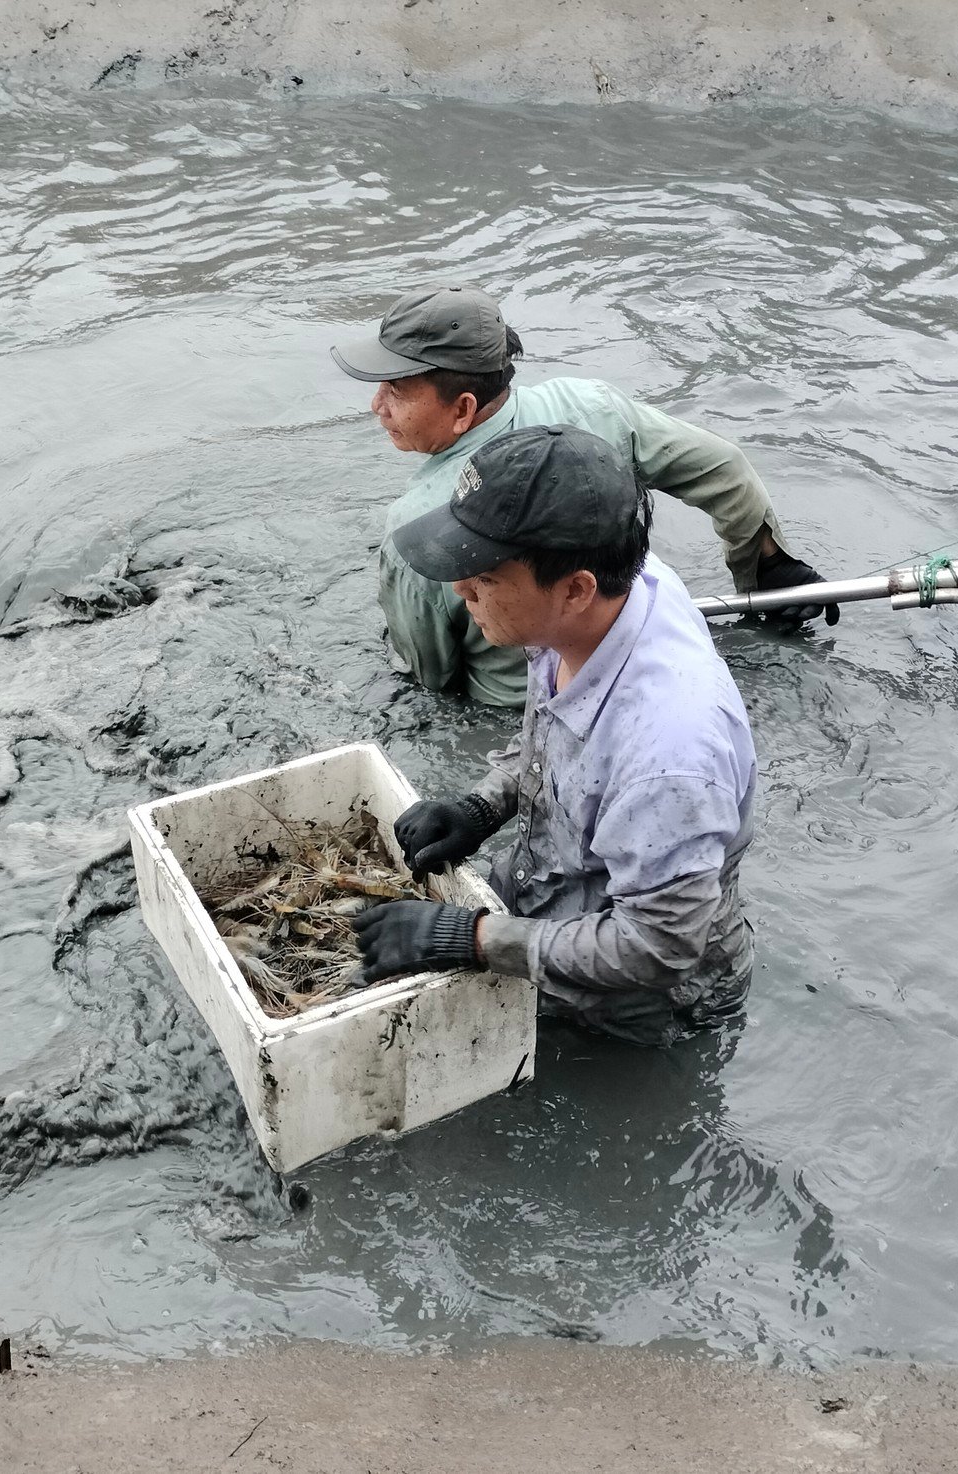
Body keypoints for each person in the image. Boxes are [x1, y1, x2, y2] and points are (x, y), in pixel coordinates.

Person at [352, 424, 757, 1047]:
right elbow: (558, 730)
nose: (461, 591)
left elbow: (660, 945)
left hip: (644, 1002)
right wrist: (482, 805)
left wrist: (473, 938)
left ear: (575, 589)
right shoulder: (610, 598)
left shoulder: (670, 755)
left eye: (484, 576)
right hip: (558, 895)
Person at [333, 284, 837, 707]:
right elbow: (725, 470)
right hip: (639, 661)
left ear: (463, 409)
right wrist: (766, 567)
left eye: (395, 390)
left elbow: (433, 679)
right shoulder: (590, 405)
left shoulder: (415, 526)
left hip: (519, 714)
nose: (377, 405)